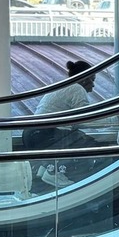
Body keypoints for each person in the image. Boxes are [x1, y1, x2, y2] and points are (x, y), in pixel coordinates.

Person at [24, 60, 98, 189]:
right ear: (84, 79)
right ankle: (53, 172)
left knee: (77, 137)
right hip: (47, 133)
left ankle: (45, 169)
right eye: (92, 79)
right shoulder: (77, 88)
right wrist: (115, 119)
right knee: (87, 143)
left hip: (31, 133)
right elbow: (85, 117)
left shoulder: (61, 86)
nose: (93, 85)